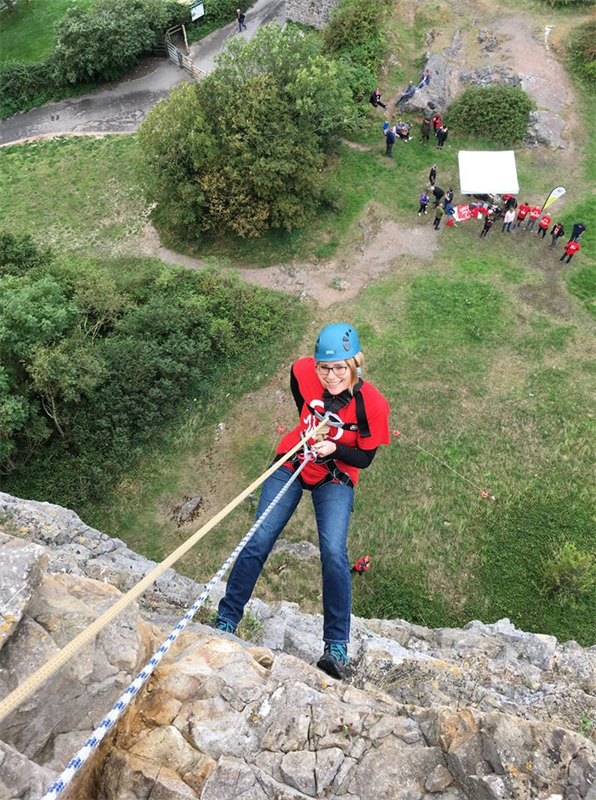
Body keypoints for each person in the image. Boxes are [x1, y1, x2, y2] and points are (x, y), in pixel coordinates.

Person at [212, 324, 390, 680]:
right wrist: (306, 428)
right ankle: (227, 619)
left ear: (355, 364)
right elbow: (300, 394)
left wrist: (334, 448)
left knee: (334, 551)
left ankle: (336, 646)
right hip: (294, 459)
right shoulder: (303, 370)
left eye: (341, 367)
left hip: (335, 475)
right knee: (259, 537)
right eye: (325, 367)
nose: (331, 375)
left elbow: (365, 458)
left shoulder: (373, 404)